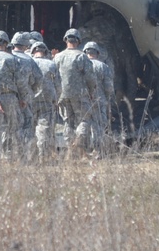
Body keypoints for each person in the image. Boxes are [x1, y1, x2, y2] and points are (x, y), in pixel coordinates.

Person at [54, 28, 97, 158]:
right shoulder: (81, 56)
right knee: (84, 119)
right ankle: (77, 143)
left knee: (68, 122)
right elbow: (90, 78)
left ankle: (70, 151)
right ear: (78, 41)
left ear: (65, 40)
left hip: (62, 95)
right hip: (80, 95)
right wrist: (91, 91)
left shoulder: (57, 57)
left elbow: (53, 76)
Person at [0, 30, 27, 160]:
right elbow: (20, 81)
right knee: (13, 127)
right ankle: (12, 155)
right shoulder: (11, 59)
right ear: (5, 43)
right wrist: (23, 98)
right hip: (10, 97)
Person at [11, 31, 43, 158]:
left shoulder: (8, 57)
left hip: (9, 97)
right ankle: (27, 155)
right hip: (25, 99)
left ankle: (11, 154)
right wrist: (31, 92)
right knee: (27, 125)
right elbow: (38, 79)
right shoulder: (29, 60)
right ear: (25, 45)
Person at [30, 41, 61, 160]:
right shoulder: (51, 64)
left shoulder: (28, 63)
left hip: (30, 100)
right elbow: (58, 85)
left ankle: (30, 156)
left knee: (29, 128)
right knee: (44, 129)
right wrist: (56, 99)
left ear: (33, 51)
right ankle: (42, 156)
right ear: (45, 52)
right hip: (47, 100)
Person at [84, 41, 115, 155]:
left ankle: (84, 151)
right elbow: (108, 87)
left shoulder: (82, 66)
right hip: (100, 101)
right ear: (97, 53)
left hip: (84, 101)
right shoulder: (103, 66)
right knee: (99, 126)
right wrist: (108, 99)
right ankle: (98, 151)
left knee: (84, 124)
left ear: (85, 52)